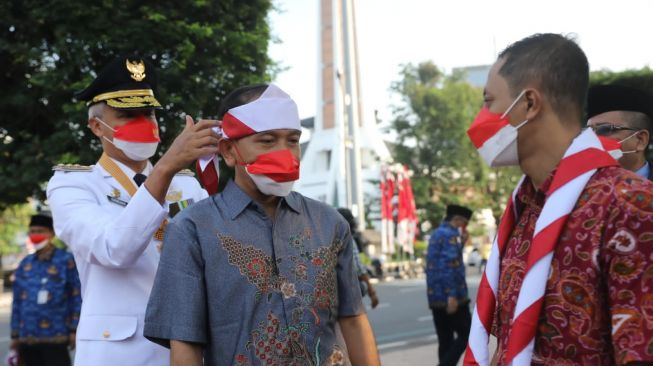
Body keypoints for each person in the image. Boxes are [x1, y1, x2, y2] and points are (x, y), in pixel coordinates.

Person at [144, 84, 380, 366]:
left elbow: (353, 319)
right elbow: (185, 344)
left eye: (292, 140)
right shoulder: (192, 230)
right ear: (229, 152)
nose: (285, 153)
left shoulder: (329, 223)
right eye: (267, 141)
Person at [464, 33, 653, 366]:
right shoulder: (524, 208)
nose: (480, 118)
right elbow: (508, 345)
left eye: (489, 101)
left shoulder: (630, 205)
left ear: (529, 104)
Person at [46, 56, 216, 365]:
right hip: (118, 353)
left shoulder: (188, 186)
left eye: (148, 113)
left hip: (187, 349)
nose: (144, 124)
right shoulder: (72, 186)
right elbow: (114, 249)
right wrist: (165, 167)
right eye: (128, 115)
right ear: (97, 126)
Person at [10, 213, 81, 366]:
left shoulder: (65, 261)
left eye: (40, 231)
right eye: (32, 231)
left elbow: (76, 296)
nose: (35, 235)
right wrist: (14, 334)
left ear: (52, 233)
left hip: (56, 336)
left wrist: (74, 330)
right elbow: (17, 301)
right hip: (27, 336)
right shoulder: (25, 264)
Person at [425, 204, 473, 366]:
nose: (464, 227)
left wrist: (462, 243)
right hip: (453, 297)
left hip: (435, 296)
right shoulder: (451, 235)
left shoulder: (437, 234)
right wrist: (451, 295)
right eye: (464, 223)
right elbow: (449, 266)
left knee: (445, 339)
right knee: (467, 334)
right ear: (457, 220)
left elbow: (440, 262)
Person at [586, 84, 653, 180]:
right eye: (589, 132)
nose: (591, 139)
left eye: (605, 129)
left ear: (640, 140)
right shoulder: (577, 189)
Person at [336, 207, 380, 309]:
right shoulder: (347, 238)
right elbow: (358, 268)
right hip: (344, 291)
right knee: (362, 287)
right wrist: (372, 292)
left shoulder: (325, 237)